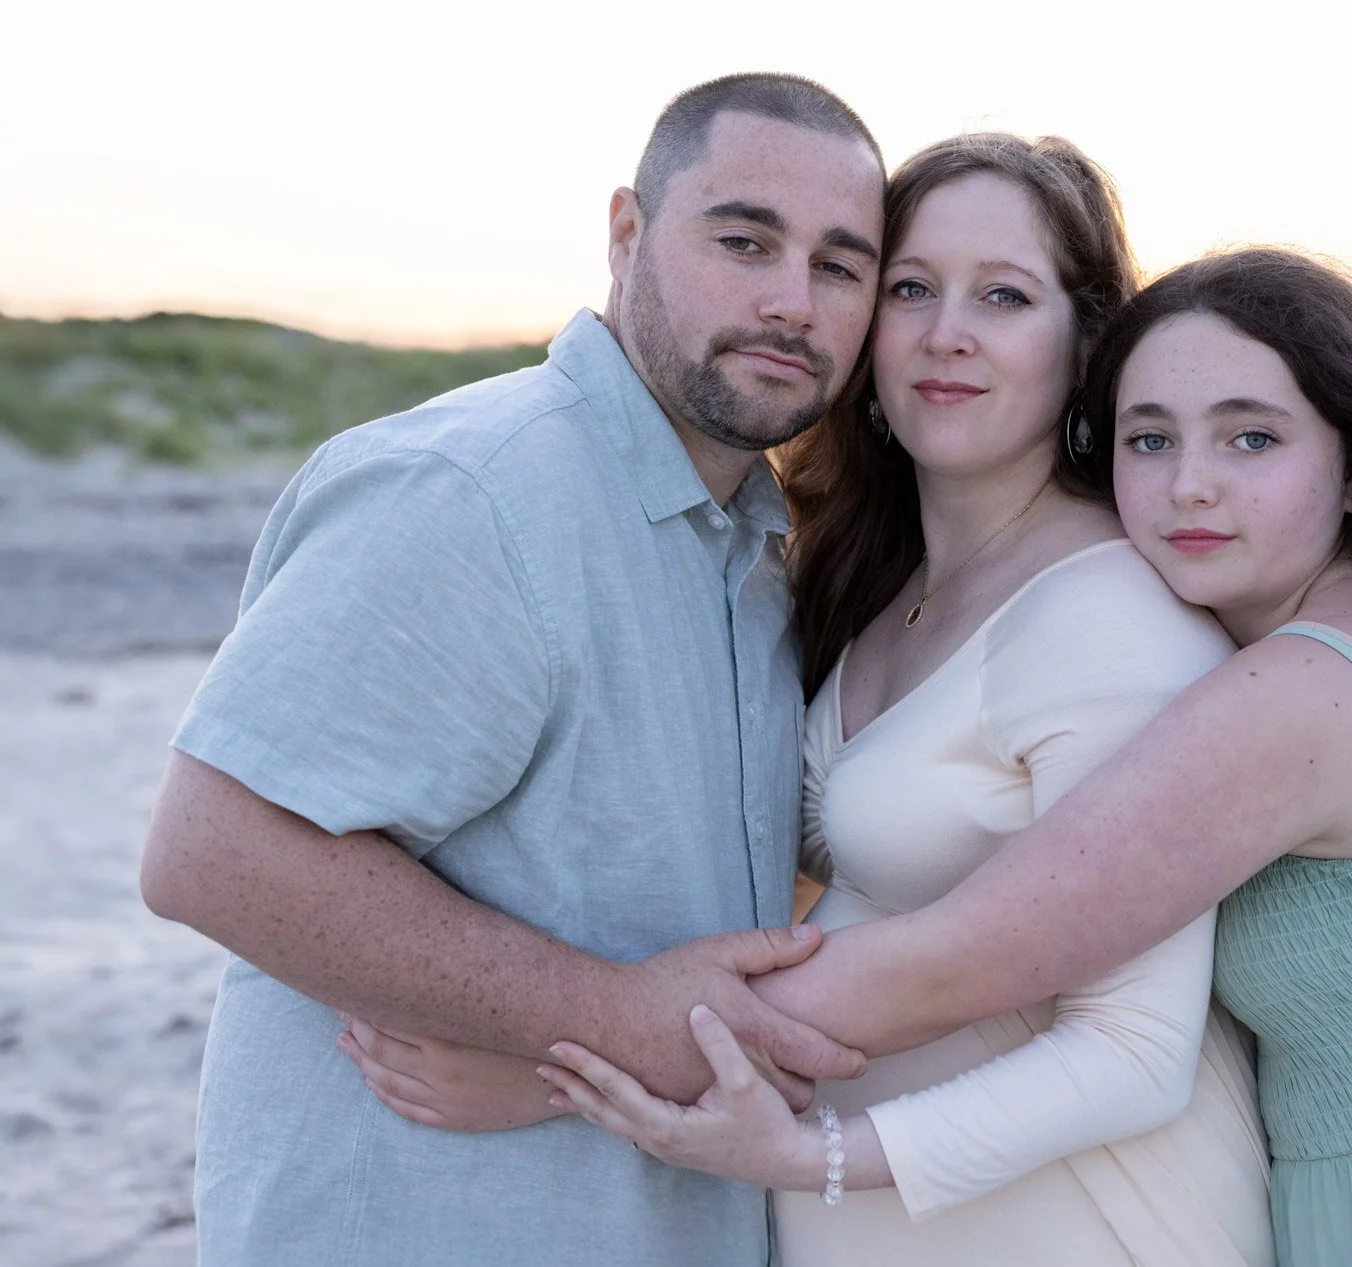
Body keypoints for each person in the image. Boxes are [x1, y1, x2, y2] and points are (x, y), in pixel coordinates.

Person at [544, 249, 1352, 1265]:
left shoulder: (1310, 688)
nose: (1189, 486)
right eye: (1148, 438)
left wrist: (559, 1049)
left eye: (1252, 437)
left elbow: (966, 954)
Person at [343, 134, 1273, 1266]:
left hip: (1076, 1225)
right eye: (911, 288)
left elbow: (1133, 1050)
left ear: (1085, 341)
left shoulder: (1113, 618)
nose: (947, 332)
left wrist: (586, 1077)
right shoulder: (873, 585)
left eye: (1004, 296)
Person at [136, 73, 885, 1266]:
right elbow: (213, 852)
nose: (790, 301)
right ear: (627, 234)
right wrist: (610, 1016)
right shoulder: (477, 493)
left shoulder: (751, 552)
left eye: (839, 266)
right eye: (743, 241)